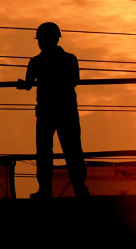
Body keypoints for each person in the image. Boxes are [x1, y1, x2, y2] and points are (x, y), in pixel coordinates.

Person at [17, 22, 90, 199]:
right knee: (70, 151)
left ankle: (48, 190)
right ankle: (78, 189)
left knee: (47, 152)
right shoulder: (68, 59)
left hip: (49, 112)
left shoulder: (37, 62)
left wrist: (24, 84)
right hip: (63, 111)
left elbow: (27, 84)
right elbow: (74, 81)